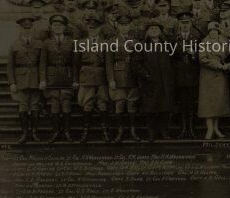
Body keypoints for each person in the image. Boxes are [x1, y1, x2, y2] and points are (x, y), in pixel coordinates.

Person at [133, 20, 176, 142]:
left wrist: (171, 75)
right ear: (147, 32)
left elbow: (174, 61)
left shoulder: (167, 45)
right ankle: (151, 133)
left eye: (156, 28)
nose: (153, 30)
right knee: (150, 108)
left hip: (165, 82)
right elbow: (135, 64)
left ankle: (164, 131)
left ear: (160, 32)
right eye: (151, 28)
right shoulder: (141, 46)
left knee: (165, 108)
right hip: (149, 82)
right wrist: (146, 75)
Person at [39, 14, 76, 142]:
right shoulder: (46, 43)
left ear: (64, 27)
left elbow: (74, 63)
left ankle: (67, 132)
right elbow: (43, 63)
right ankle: (55, 131)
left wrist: (75, 80)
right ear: (51, 27)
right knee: (54, 103)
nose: (58, 27)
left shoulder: (71, 42)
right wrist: (43, 80)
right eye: (55, 25)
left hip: (66, 76)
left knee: (66, 103)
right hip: (52, 77)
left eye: (60, 25)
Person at [7, 15, 43, 144]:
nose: (27, 30)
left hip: (35, 78)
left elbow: (42, 64)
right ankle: (24, 133)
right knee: (22, 106)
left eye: (29, 28)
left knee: (34, 106)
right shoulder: (14, 45)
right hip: (21, 79)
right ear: (20, 29)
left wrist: (42, 80)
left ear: (32, 28)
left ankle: (34, 133)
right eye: (24, 28)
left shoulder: (39, 44)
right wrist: (12, 82)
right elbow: (10, 66)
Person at [75, 14, 111, 143]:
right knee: (87, 103)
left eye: (95, 28)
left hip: (101, 75)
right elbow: (76, 63)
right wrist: (76, 80)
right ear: (87, 28)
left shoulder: (105, 43)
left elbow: (108, 63)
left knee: (102, 103)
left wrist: (109, 79)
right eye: (90, 28)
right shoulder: (80, 43)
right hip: (86, 75)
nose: (92, 30)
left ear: (99, 29)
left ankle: (105, 131)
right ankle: (85, 131)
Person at [106, 14, 141, 142]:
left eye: (126, 25)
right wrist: (111, 79)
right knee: (119, 104)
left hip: (132, 77)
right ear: (117, 26)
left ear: (130, 26)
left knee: (132, 104)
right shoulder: (111, 42)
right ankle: (120, 131)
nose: (124, 28)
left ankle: (132, 130)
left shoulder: (135, 42)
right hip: (118, 77)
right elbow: (109, 63)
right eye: (122, 25)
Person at [198, 22, 230, 140]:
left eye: (215, 31)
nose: (213, 32)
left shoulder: (224, 43)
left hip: (220, 77)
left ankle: (216, 128)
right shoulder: (204, 43)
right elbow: (202, 59)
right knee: (208, 103)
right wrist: (218, 65)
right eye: (211, 31)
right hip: (208, 77)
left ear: (218, 32)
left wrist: (228, 65)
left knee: (218, 102)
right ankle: (210, 129)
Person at [171, 12, 202, 139]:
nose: (184, 25)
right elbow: (171, 57)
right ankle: (183, 128)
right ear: (179, 24)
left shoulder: (197, 37)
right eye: (182, 23)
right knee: (182, 103)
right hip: (179, 75)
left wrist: (194, 54)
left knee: (192, 103)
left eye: (187, 22)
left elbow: (203, 55)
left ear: (191, 23)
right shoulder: (174, 38)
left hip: (193, 74)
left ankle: (192, 128)